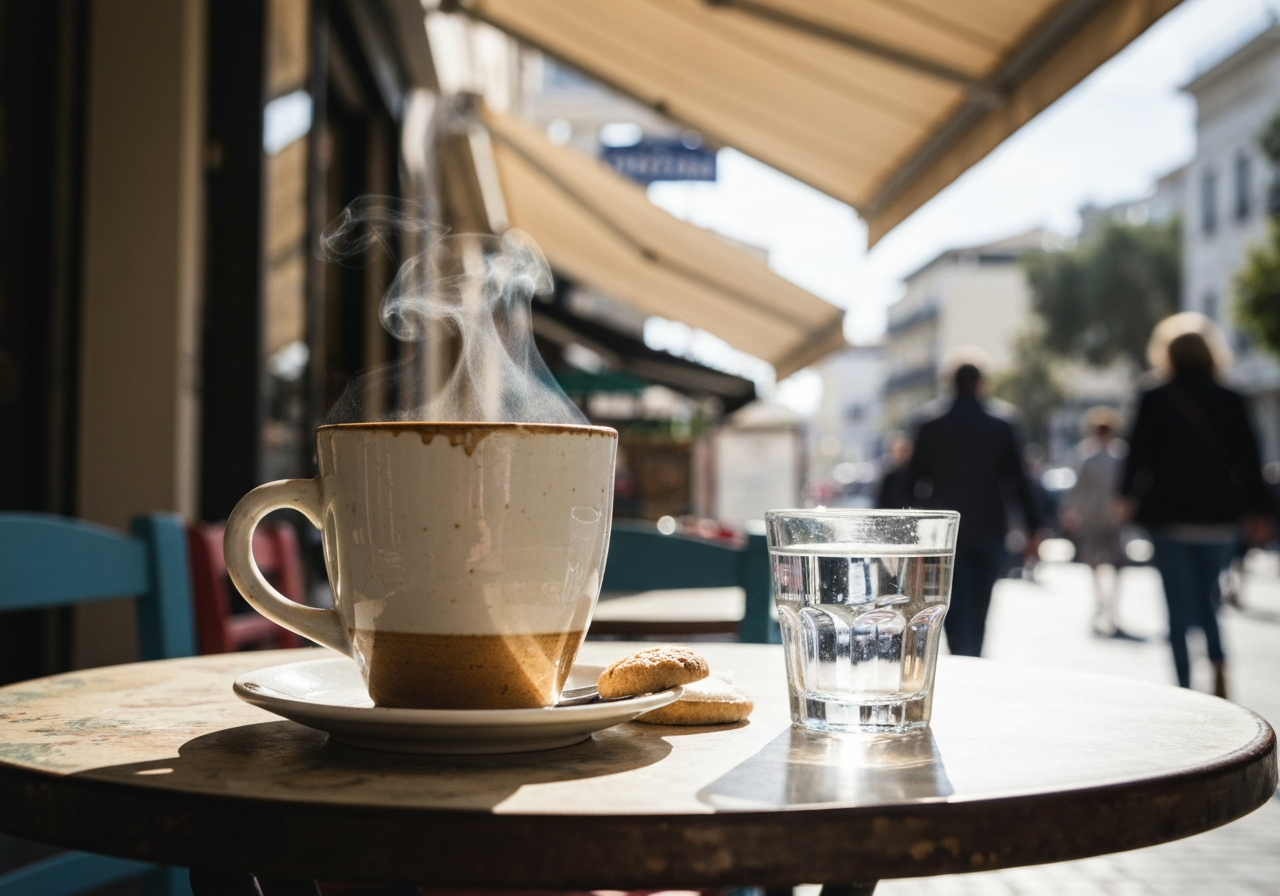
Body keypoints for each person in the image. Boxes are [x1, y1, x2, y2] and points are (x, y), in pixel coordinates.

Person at [1119, 313, 1274, 697]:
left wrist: (1125, 498)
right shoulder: (1232, 396)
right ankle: (1220, 670)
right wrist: (1260, 511)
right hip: (1219, 517)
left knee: (1176, 607)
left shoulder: (1154, 396)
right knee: (1209, 599)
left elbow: (1137, 456)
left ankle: (1184, 689)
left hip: (1168, 517)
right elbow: (1250, 459)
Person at [906, 356, 1044, 657]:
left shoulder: (930, 423)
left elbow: (910, 482)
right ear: (981, 383)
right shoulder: (1003, 423)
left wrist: (910, 531)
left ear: (949, 383)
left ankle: (961, 658)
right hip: (989, 528)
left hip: (942, 535)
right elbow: (1020, 481)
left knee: (950, 605)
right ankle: (973, 659)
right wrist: (1035, 530)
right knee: (981, 608)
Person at [1060, 406, 1137, 640]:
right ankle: (1102, 602)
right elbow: (1077, 488)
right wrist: (1072, 511)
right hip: (1095, 517)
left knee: (1117, 563)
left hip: (1112, 518)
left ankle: (1110, 606)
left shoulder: (1120, 454)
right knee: (1095, 562)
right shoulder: (1086, 455)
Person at [875, 432, 913, 510]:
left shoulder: (915, 475)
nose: (902, 454)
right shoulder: (890, 477)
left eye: (905, 450)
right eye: (900, 450)